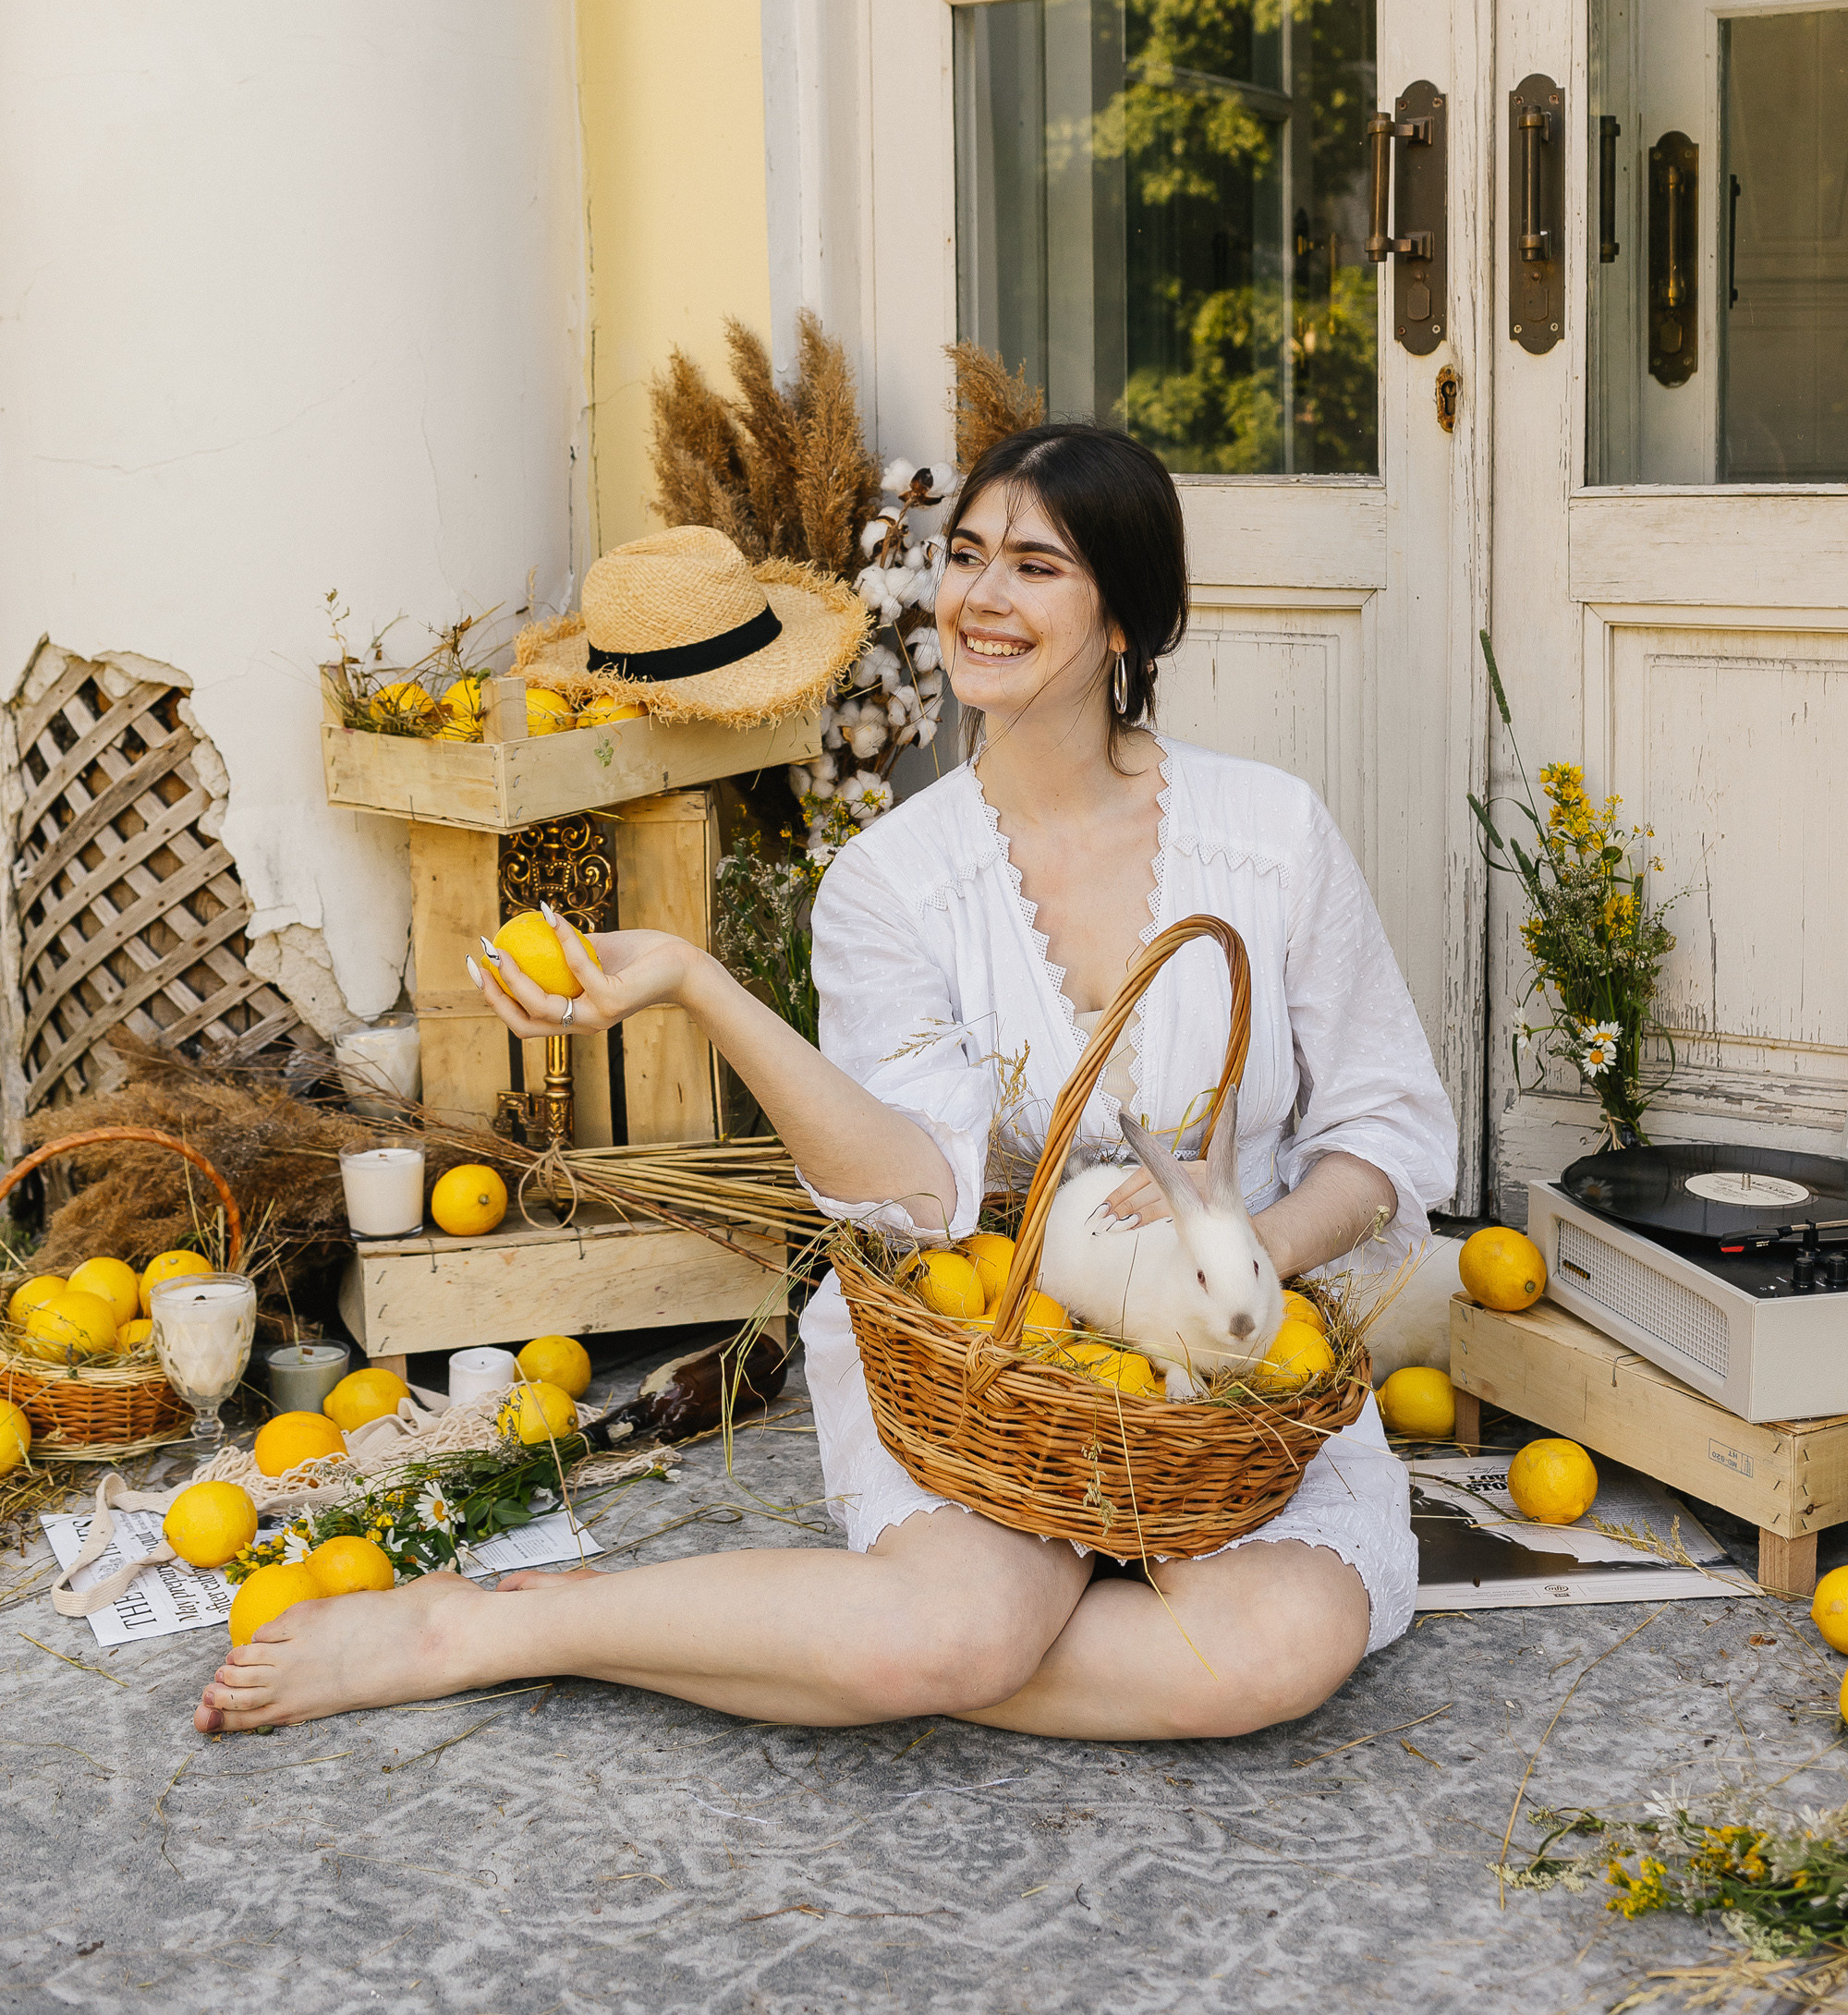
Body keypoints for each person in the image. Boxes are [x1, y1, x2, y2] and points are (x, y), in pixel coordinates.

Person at [196, 424, 1456, 1741]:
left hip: (1227, 1384)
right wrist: (697, 982)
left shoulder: (1271, 836)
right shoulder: (894, 882)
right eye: (966, 555)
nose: (979, 595)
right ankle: (494, 1622)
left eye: (1035, 565)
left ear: (1127, 619)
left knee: (1274, 1653)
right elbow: (916, 1192)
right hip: (979, 1368)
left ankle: (889, 1647)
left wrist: (1246, 1255)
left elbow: (1384, 1125)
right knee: (960, 1629)